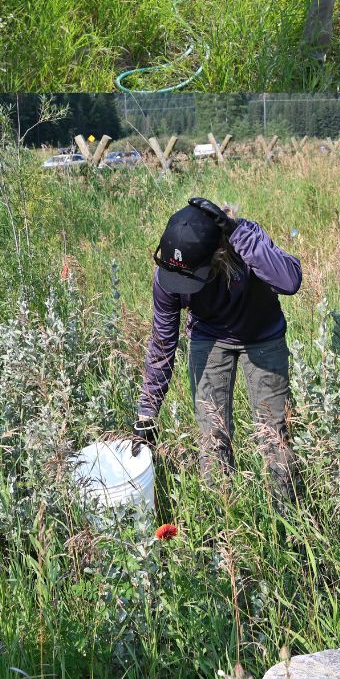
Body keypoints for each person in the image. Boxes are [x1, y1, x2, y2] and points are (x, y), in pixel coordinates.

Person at [131, 198, 302, 497]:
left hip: (262, 336)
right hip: (209, 337)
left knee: (275, 435)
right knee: (212, 435)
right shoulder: (169, 275)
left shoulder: (245, 238)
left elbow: (290, 280)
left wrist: (237, 234)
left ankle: (289, 518)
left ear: (218, 255)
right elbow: (162, 343)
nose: (181, 285)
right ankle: (223, 521)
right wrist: (147, 412)